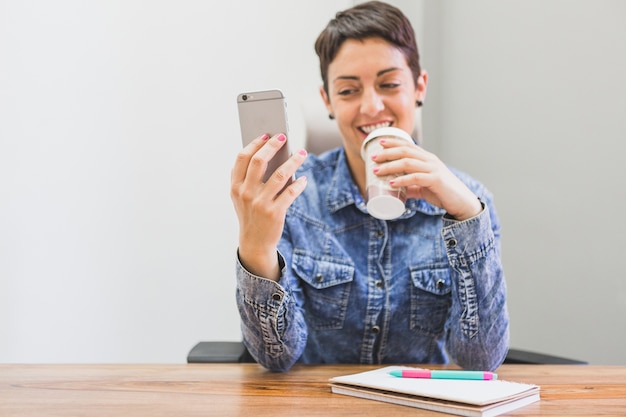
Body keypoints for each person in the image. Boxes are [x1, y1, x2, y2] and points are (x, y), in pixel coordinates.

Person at [230, 1, 509, 372]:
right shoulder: (292, 198)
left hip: (422, 404)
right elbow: (274, 358)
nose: (372, 106)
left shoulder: (467, 201)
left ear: (419, 86)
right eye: (348, 91)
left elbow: (482, 359)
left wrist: (468, 217)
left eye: (389, 84)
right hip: (322, 404)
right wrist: (257, 249)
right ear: (327, 100)